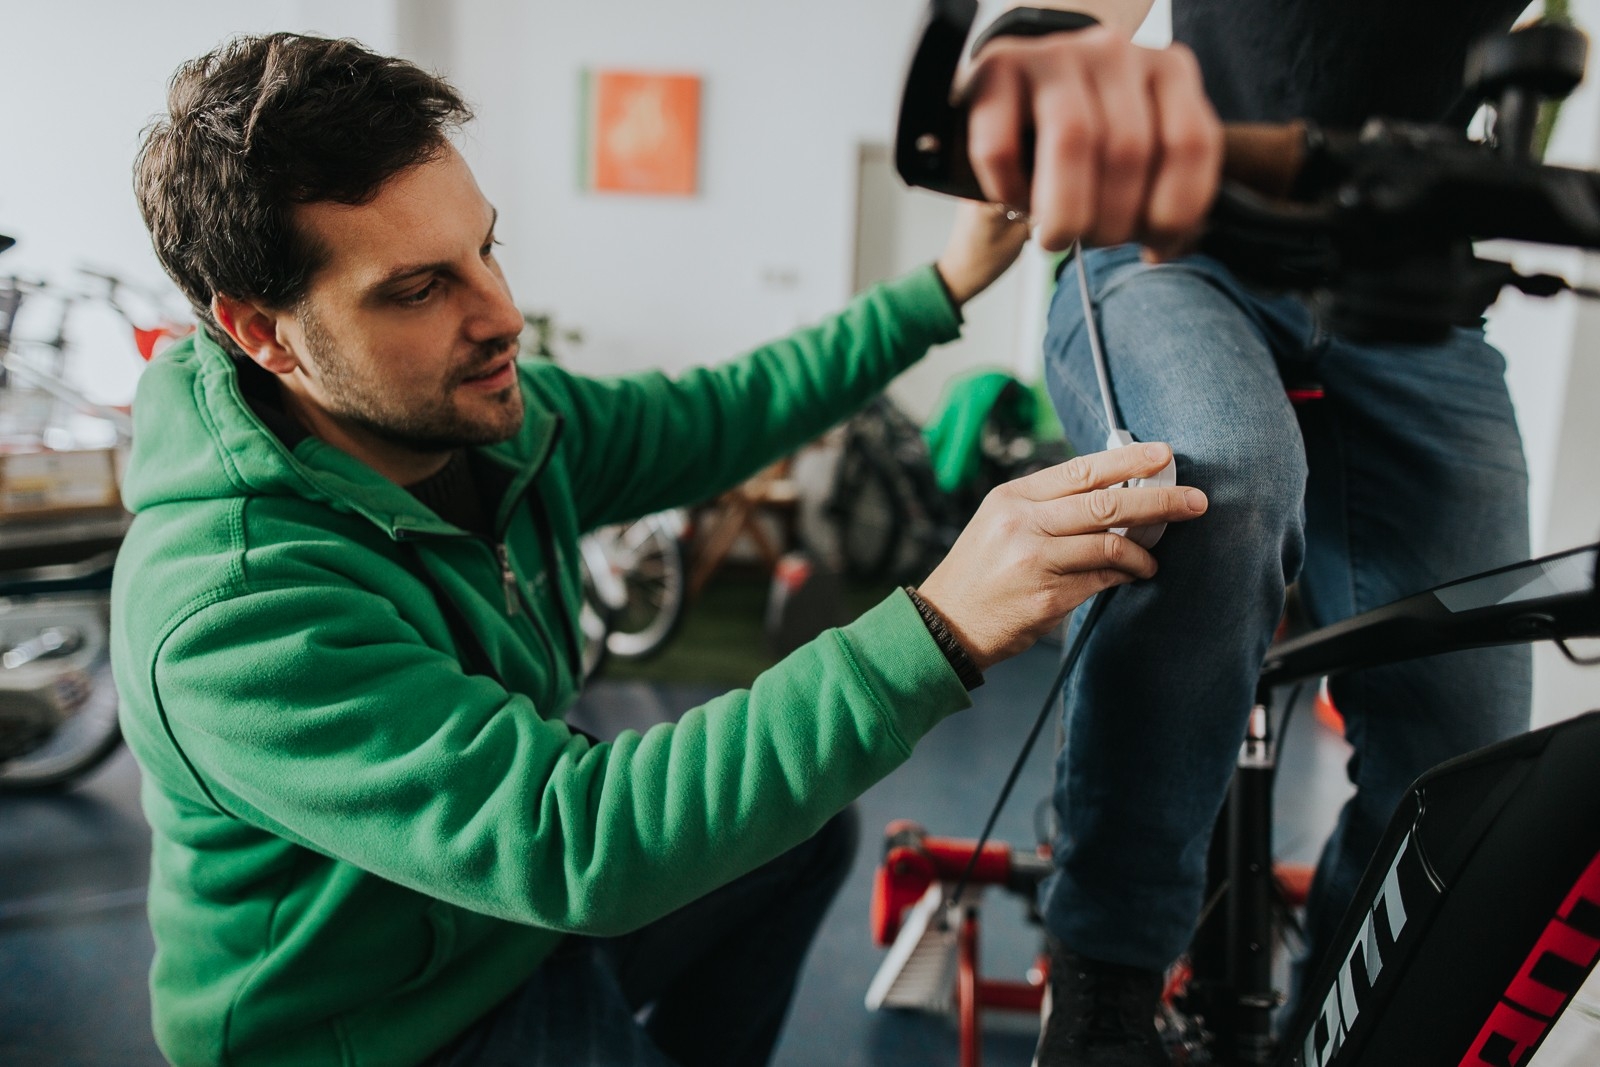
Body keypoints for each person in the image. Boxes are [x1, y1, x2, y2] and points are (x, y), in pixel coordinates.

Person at [111, 32, 1208, 1067]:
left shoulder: (491, 424)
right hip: (385, 1029)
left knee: (795, 836)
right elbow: (572, 839)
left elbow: (714, 414)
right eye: (417, 288)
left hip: (502, 928)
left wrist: (941, 288)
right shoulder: (234, 608)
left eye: (483, 247)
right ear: (262, 332)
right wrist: (938, 623)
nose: (501, 313)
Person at [948, 3, 1536, 1064]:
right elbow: (1079, 16)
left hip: (1406, 291)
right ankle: (1103, 988)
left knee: (1472, 721)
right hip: (1178, 242)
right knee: (1217, 481)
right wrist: (1041, 50)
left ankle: (1349, 1027)